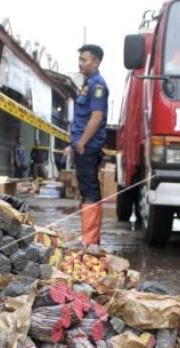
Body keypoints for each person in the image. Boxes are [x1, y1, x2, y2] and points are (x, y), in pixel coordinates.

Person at [67, 44, 108, 245]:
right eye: (80, 59)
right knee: (87, 190)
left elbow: (96, 117)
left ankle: (90, 242)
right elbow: (81, 119)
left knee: (90, 191)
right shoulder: (87, 84)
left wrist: (81, 143)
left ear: (96, 61)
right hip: (82, 146)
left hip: (89, 148)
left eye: (84, 59)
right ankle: (90, 239)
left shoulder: (98, 86)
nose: (80, 63)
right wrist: (72, 144)